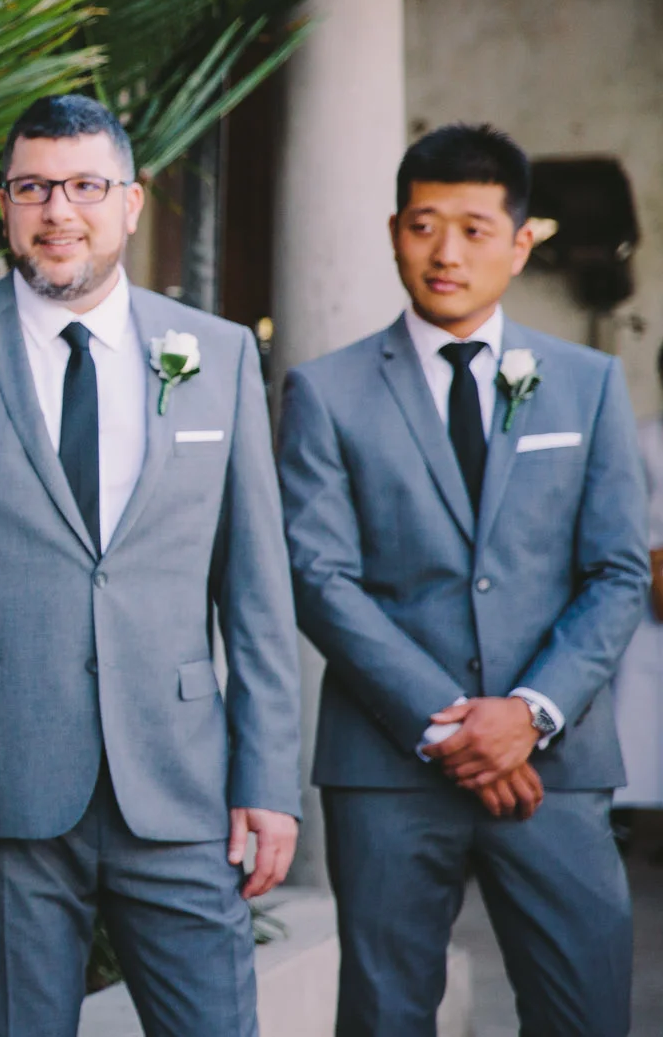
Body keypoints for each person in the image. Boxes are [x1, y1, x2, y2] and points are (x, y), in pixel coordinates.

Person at [0, 94, 301, 1037]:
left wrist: (269, 779)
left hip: (182, 786)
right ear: (4, 203)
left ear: (132, 200)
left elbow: (257, 592)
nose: (59, 211)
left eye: (86, 185)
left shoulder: (217, 354)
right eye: (33, 187)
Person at [279, 125, 647, 1036]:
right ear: (393, 232)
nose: (446, 252)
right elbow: (320, 576)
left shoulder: (588, 383)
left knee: (584, 1013)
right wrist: (453, 727)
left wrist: (528, 713)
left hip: (553, 766)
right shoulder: (326, 391)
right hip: (388, 767)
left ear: (520, 243)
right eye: (423, 225)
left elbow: (616, 571)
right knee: (385, 1016)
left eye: (475, 229)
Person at [613, 343, 663, 813]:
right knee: (643, 711)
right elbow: (623, 517)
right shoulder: (644, 438)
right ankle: (635, 817)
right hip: (652, 594)